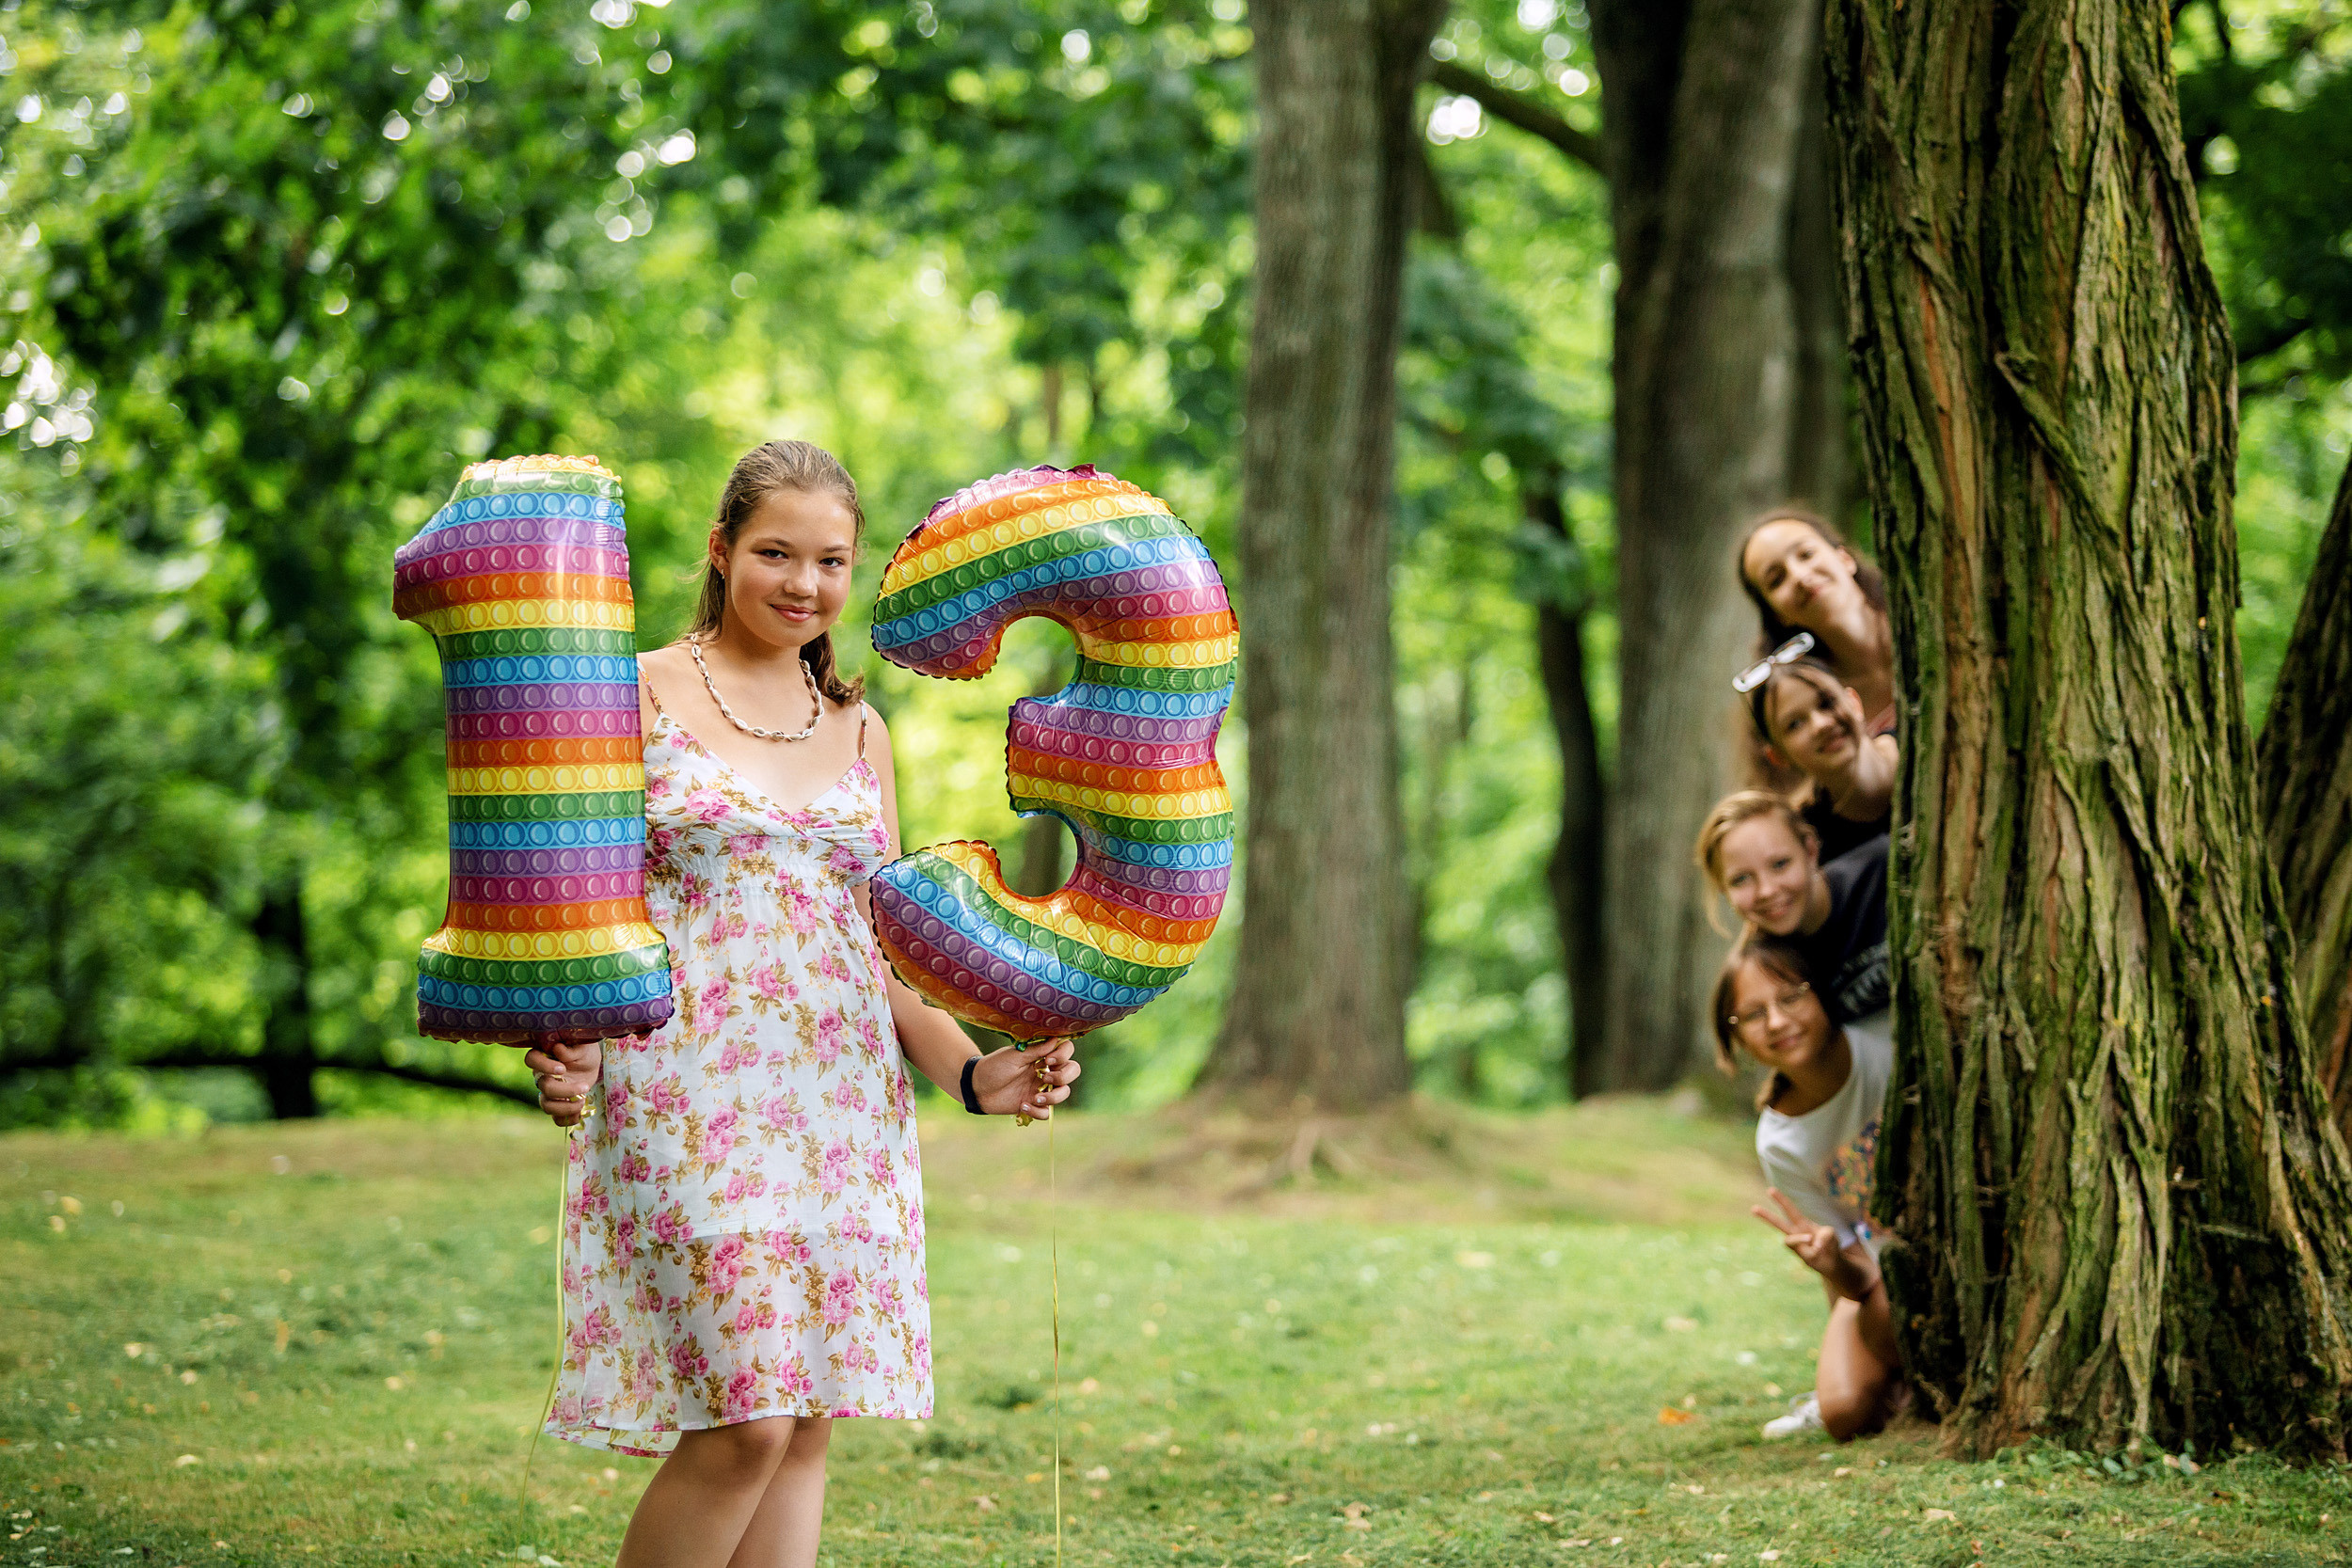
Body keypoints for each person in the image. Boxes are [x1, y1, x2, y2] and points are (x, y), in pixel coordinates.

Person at [519, 438, 1077, 1568]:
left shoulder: (863, 731)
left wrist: (974, 1071)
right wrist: (557, 1040)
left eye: (830, 560)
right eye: (775, 551)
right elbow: (566, 905)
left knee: (808, 1417)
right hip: (685, 1088)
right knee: (746, 1419)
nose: (802, 583)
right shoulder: (629, 691)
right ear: (721, 550)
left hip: (840, 1105)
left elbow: (875, 949)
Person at [1711, 939, 1902, 1441]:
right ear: (1736, 1039)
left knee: (1886, 1309)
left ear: (1819, 995)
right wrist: (1831, 1261)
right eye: (1753, 1015)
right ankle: (1901, 1388)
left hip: (1934, 1255)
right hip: (1878, 1271)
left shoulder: (1885, 1047)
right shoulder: (1780, 1142)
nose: (1776, 1022)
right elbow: (1858, 1278)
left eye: (1790, 998)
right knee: (1844, 1414)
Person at [1693, 789, 1889, 1031]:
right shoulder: (1763, 974)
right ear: (1724, 890)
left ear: (1810, 851)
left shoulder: (1886, 870)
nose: (1766, 891)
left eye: (1780, 864)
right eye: (1741, 879)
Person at [1737, 510, 1897, 735]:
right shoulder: (1817, 710)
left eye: (1806, 554)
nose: (1799, 576)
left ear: (1845, 559)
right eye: (1777, 580)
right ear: (1778, 615)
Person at [1740, 652, 1895, 864]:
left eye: (1826, 703)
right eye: (1795, 724)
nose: (1821, 724)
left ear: (1854, 702)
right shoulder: (1809, 845)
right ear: (1777, 756)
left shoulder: (1926, 739)